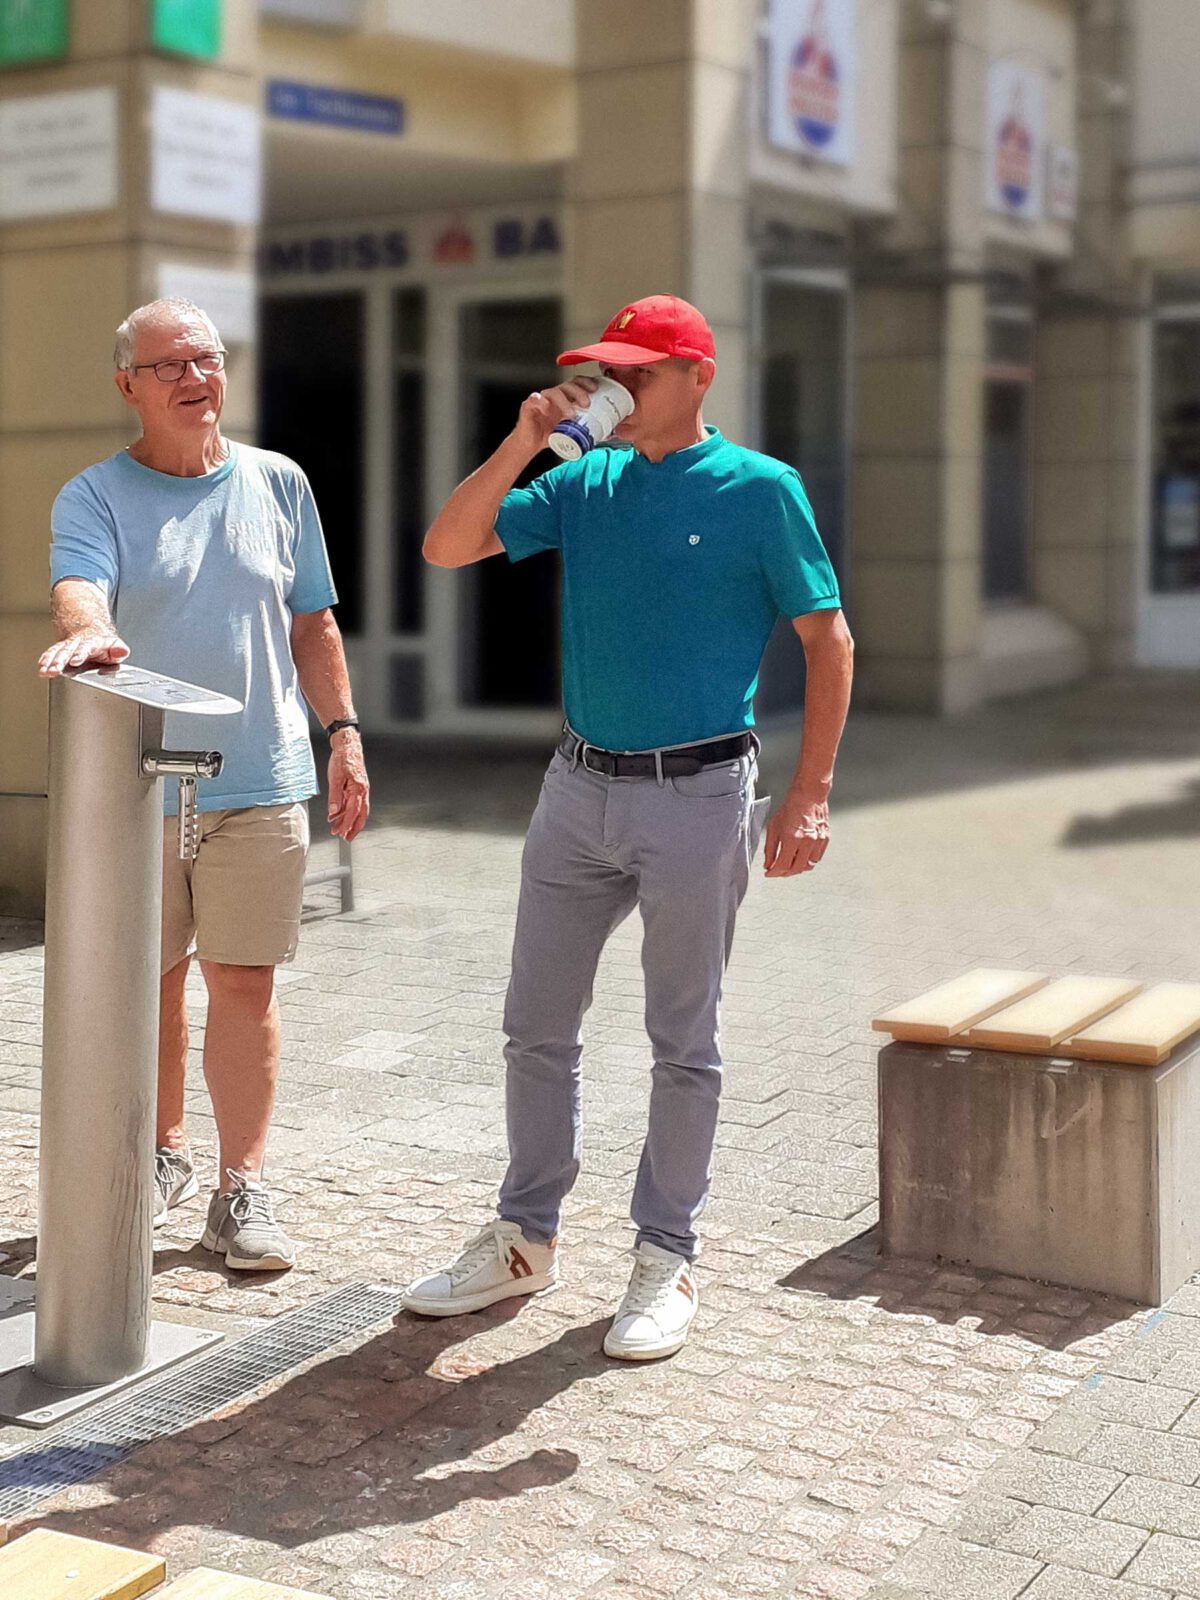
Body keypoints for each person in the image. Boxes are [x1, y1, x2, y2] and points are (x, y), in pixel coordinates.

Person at [403, 293, 853, 1358]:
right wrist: (525, 438)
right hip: (576, 788)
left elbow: (827, 640)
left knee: (683, 1041)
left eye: (639, 372)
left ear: (698, 376)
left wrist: (810, 792)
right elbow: (447, 546)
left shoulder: (762, 489)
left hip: (699, 793)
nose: (618, 389)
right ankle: (525, 1238)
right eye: (610, 371)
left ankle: (666, 1254)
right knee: (535, 1027)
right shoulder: (583, 481)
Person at [38, 297, 369, 1272]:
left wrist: (345, 735)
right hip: (135, 787)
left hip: (259, 781)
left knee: (243, 982)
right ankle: (161, 1155)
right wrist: (89, 632)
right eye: (170, 364)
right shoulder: (93, 495)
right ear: (127, 385)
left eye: (208, 358)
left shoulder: (280, 481)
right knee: (149, 984)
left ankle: (241, 1189)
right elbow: (78, 587)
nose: (195, 377)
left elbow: (313, 622)